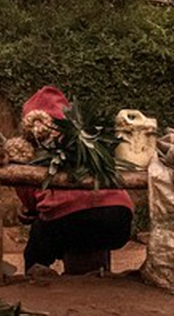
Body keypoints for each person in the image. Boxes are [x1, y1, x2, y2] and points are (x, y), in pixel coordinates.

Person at [13, 86, 133, 276]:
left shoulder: (34, 149)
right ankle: (101, 275)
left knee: (37, 247)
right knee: (92, 226)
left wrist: (29, 209)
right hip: (118, 218)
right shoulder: (92, 138)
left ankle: (36, 283)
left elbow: (31, 203)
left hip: (67, 223)